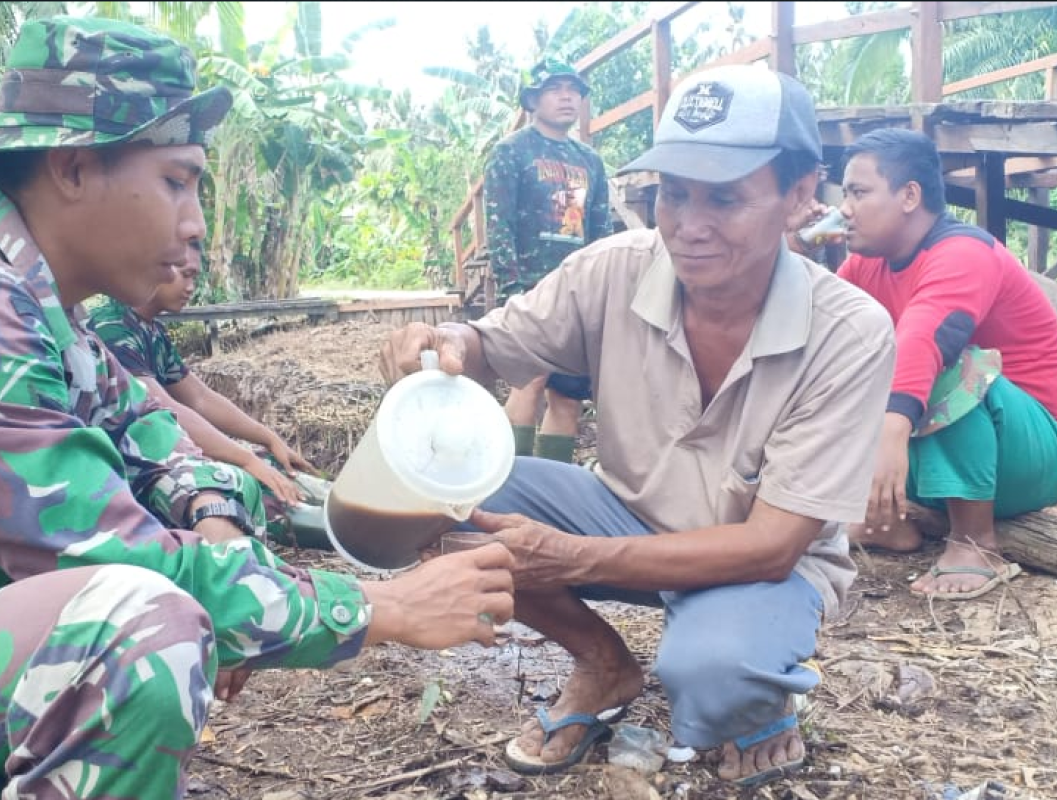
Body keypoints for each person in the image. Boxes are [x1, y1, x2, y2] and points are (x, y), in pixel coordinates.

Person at [0, 17, 514, 798]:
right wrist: (382, 606)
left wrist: (218, 526)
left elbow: (159, 438)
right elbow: (109, 561)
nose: (196, 222)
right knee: (138, 629)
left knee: (179, 601)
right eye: (177, 181)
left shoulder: (41, 312)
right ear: (71, 169)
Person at [382, 64, 896, 786]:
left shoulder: (849, 332)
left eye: (723, 198)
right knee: (432, 498)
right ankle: (604, 664)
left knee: (714, 681)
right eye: (672, 195)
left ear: (801, 196)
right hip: (626, 513)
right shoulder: (613, 270)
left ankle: (749, 694)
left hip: (758, 561)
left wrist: (570, 557)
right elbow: (491, 344)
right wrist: (448, 343)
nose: (688, 226)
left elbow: (774, 545)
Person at [829, 128, 1057, 598]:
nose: (844, 209)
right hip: (932, 462)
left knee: (951, 360)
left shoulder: (965, 252)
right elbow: (820, 334)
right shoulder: (865, 264)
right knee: (841, 361)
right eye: (843, 194)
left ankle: (976, 543)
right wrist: (793, 251)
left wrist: (890, 435)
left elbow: (925, 338)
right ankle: (884, 519)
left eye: (859, 192)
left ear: (910, 195)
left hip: (1030, 453)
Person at [87, 255, 331, 548]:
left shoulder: (150, 329)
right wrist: (246, 460)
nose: (191, 287)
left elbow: (200, 398)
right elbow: (164, 409)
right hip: (129, 465)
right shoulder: (112, 327)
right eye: (186, 275)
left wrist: (268, 439)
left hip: (157, 450)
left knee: (269, 465)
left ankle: (338, 504)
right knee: (247, 482)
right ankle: (343, 530)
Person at [483, 58, 613, 464]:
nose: (567, 97)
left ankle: (549, 487)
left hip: (579, 294)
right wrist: (511, 289)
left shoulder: (590, 161)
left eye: (573, 90)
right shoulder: (511, 152)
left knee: (569, 396)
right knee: (530, 384)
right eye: (556, 89)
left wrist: (603, 289)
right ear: (533, 99)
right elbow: (498, 225)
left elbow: (600, 232)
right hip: (531, 290)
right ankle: (510, 480)